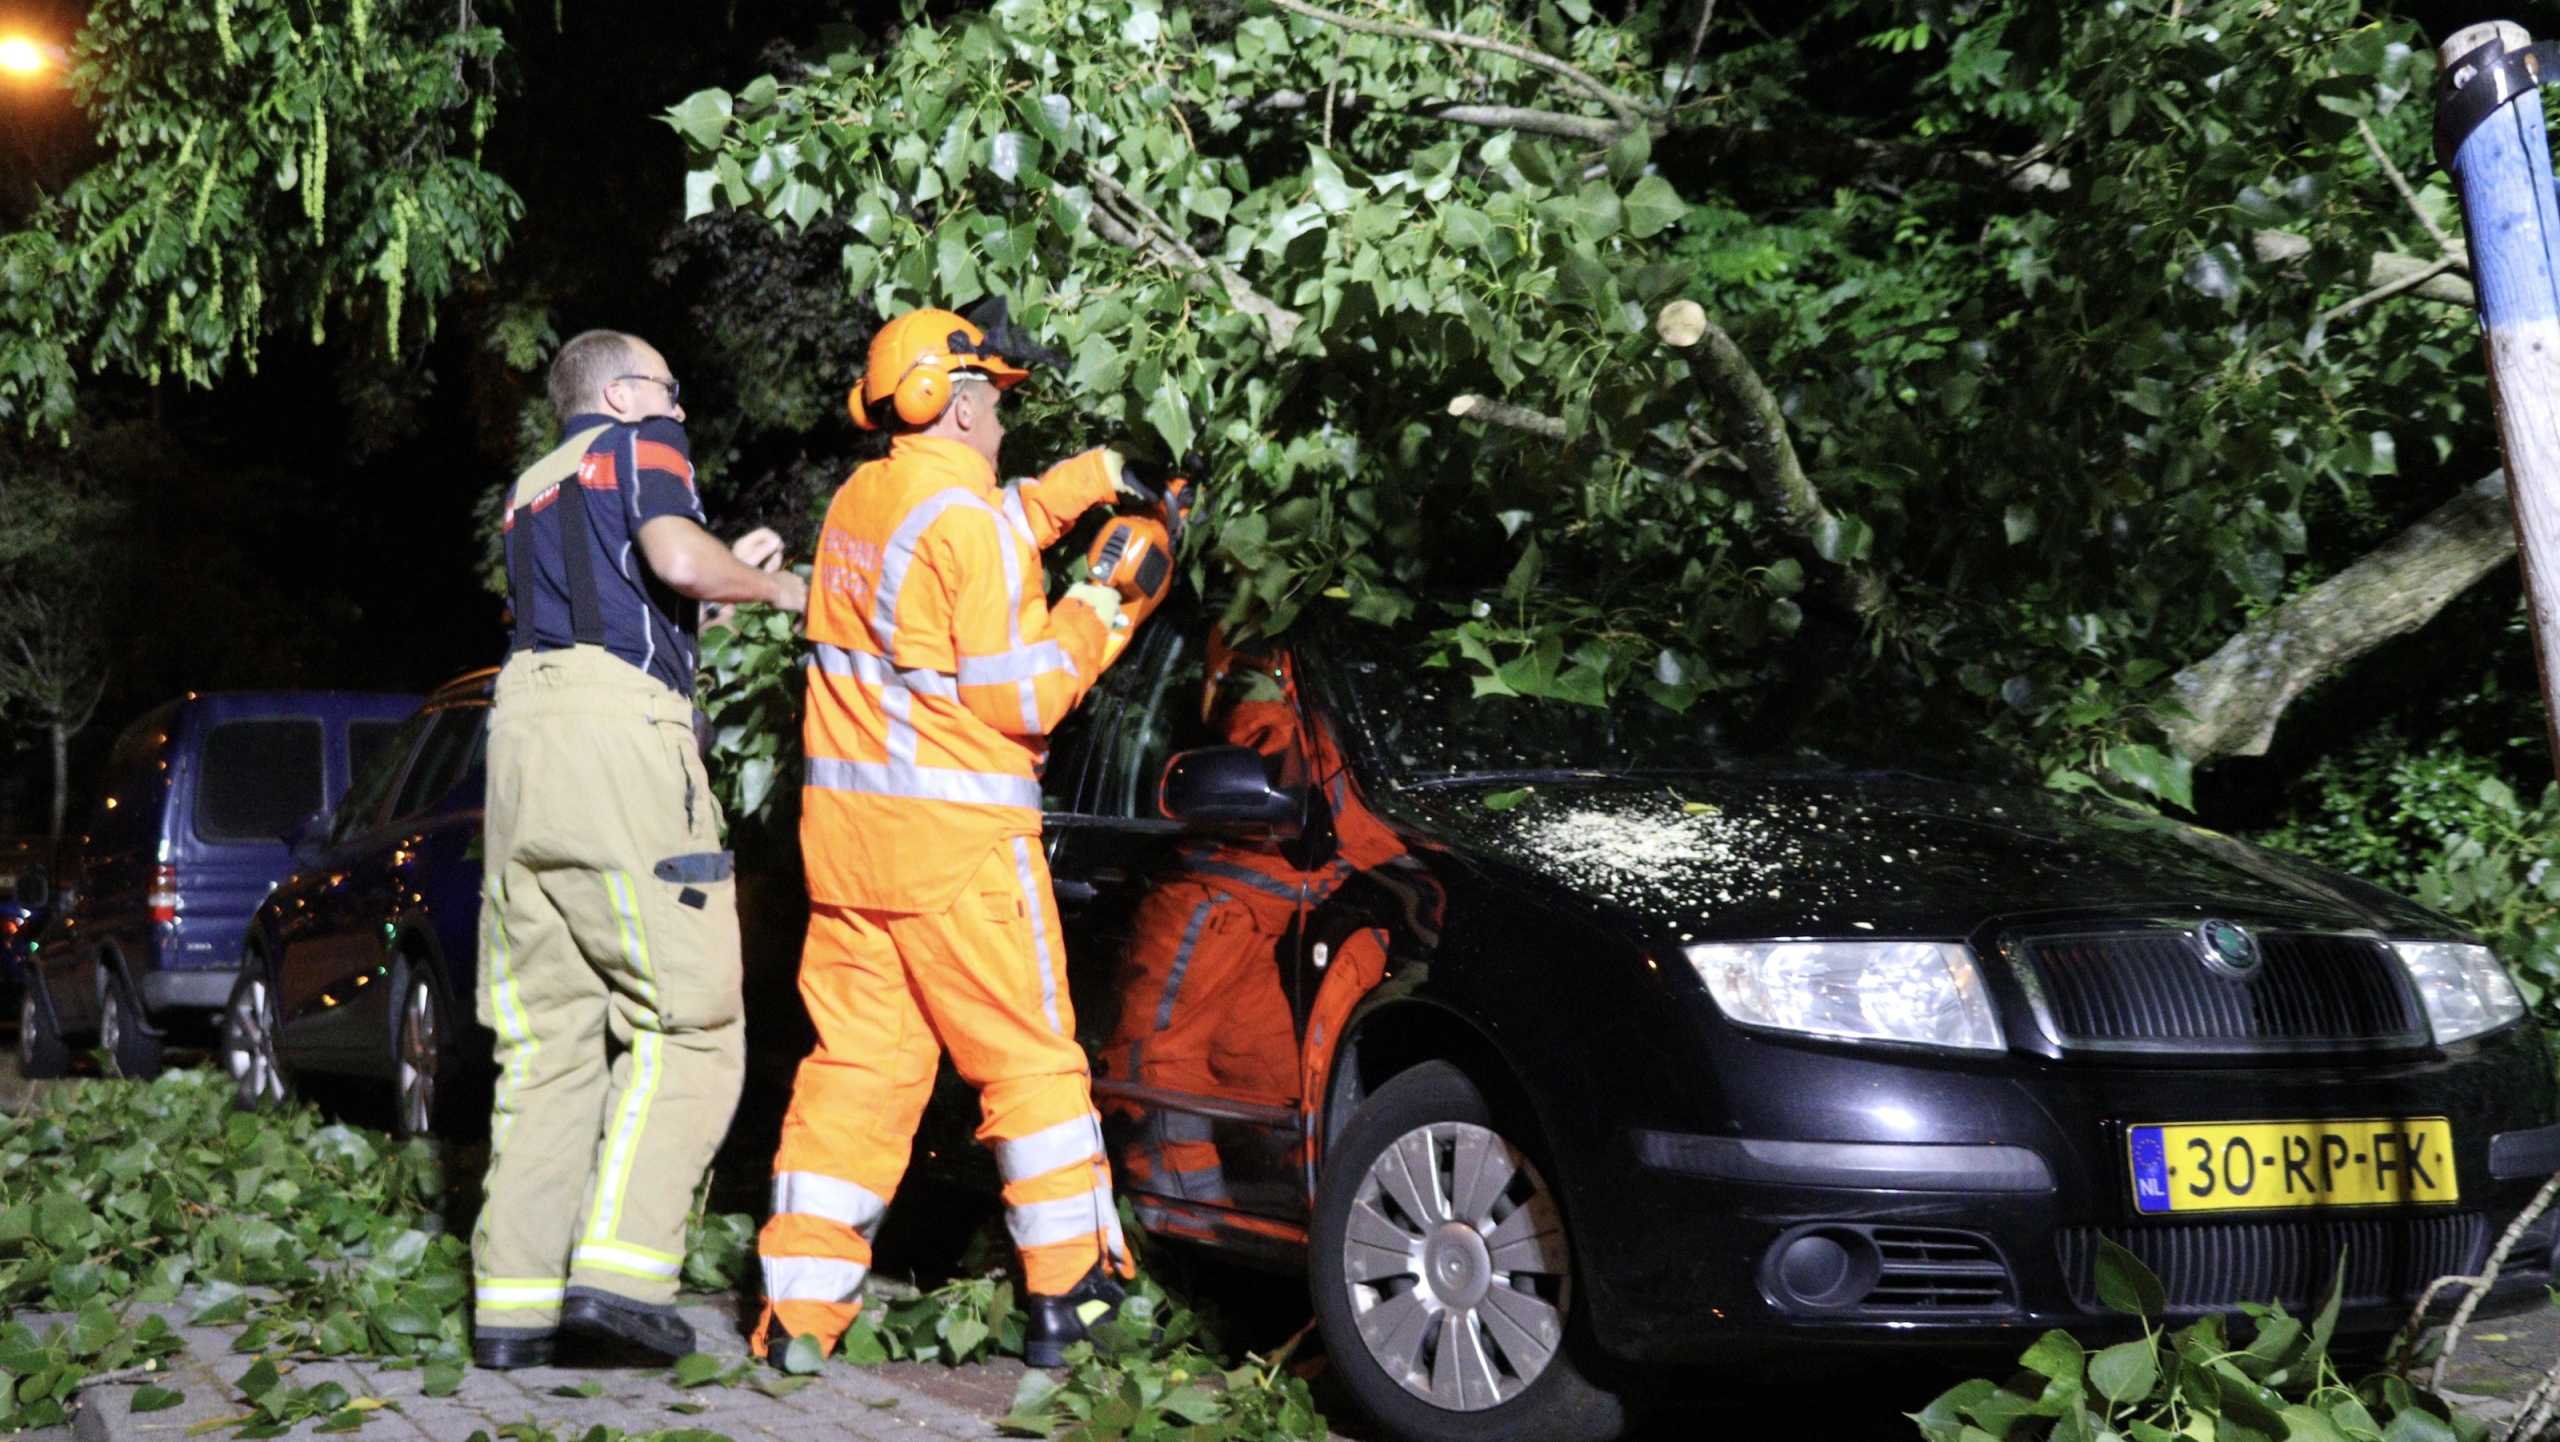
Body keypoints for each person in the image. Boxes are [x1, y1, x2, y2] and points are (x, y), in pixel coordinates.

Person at [754, 302, 1172, 1368]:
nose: (1000, 425)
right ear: (955, 401)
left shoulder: (865, 500)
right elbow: (1021, 692)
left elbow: (976, 544)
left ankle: (798, 1317)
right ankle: (1073, 1298)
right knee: (1030, 1067)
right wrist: (1111, 595)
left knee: (855, 1073)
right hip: (962, 851)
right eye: (993, 403)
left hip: (852, 856)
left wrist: (1085, 483)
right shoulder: (966, 518)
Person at [473, 329, 809, 1370]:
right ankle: (619, 1278)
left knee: (549, 1039)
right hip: (623, 742)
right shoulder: (645, 441)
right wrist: (792, 593)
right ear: (622, 393)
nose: (678, 404)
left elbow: (631, 587)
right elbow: (668, 554)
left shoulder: (533, 483)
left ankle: (511, 1307)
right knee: (694, 1023)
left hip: (521, 743)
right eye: (666, 386)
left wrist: (722, 577)